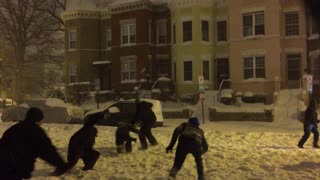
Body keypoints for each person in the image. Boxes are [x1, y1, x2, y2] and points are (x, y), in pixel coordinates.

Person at [0, 107, 69, 179]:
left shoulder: (14, 128)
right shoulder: (36, 132)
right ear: (38, 119)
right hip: (14, 169)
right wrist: (61, 165)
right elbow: (48, 151)